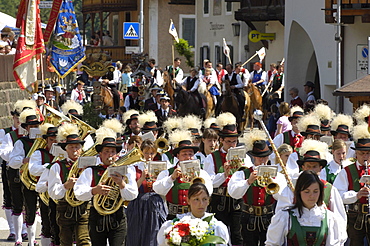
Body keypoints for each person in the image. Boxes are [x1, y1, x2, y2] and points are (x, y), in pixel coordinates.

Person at [74, 136, 138, 246]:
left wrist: (121, 184)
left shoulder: (127, 170)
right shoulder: (91, 170)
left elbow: (133, 195)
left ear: (117, 154)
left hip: (117, 216)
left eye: (113, 152)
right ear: (100, 154)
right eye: (106, 152)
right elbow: (78, 193)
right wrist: (94, 190)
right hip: (97, 216)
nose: (109, 155)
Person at [228, 130, 286, 246]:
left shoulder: (277, 175)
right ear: (254, 157)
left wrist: (272, 182)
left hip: (268, 216)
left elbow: (282, 197)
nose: (263, 160)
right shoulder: (242, 173)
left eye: (265, 157)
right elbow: (233, 193)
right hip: (247, 216)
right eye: (260, 158)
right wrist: (248, 182)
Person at [203, 122, 252, 246]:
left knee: (238, 235)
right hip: (219, 199)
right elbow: (209, 182)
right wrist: (224, 174)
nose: (232, 145)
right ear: (221, 140)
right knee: (218, 233)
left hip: (238, 200)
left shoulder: (245, 157)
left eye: (234, 141)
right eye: (228, 141)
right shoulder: (211, 158)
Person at [266, 170, 345, 246]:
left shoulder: (329, 218)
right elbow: (272, 244)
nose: (312, 196)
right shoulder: (285, 217)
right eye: (307, 192)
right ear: (299, 192)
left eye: (315, 191)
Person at [153, 131, 213, 220]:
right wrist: (171, 178)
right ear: (178, 156)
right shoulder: (168, 172)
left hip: (195, 215)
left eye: (190, 154)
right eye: (184, 154)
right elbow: (157, 189)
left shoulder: (202, 173)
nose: (188, 157)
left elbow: (209, 191)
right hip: (174, 215)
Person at [48, 124, 90, 246]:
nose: (75, 150)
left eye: (77, 147)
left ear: (81, 149)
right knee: (65, 242)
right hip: (65, 207)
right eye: (71, 147)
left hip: (84, 207)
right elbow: (52, 192)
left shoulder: (89, 166)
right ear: (66, 149)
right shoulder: (57, 166)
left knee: (84, 241)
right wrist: (66, 185)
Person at [157, 182, 230, 246]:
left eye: (204, 199)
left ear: (208, 201)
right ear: (188, 200)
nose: (201, 204)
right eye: (196, 199)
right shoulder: (176, 223)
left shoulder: (216, 226)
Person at [126, 140, 168, 246]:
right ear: (141, 153)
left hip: (155, 204)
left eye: (152, 153)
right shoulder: (133, 168)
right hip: (138, 204)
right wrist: (142, 178)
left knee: (154, 235)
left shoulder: (161, 167)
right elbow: (131, 190)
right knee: (136, 236)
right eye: (146, 153)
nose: (149, 156)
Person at [8, 109, 41, 246]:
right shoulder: (21, 142)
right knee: (18, 206)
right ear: (26, 128)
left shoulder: (42, 141)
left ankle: (32, 240)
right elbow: (12, 162)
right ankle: (18, 238)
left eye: (36, 126)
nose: (34, 128)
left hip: (36, 179)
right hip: (21, 178)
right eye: (31, 126)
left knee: (32, 209)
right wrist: (25, 160)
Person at [334, 123, 370, 246]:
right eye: (362, 153)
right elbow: (338, 195)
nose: (365, 157)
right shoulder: (347, 171)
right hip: (354, 217)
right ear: (356, 154)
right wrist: (357, 195)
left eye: (368, 153)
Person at [28, 124, 58, 246]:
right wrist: (49, 167)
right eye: (51, 140)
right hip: (45, 193)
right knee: (47, 226)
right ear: (46, 140)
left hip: (63, 196)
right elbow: (33, 169)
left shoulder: (66, 153)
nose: (54, 143)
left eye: (57, 140)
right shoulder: (39, 153)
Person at [0, 106, 21, 242]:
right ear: (13, 117)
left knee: (24, 199)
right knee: (9, 198)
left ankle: (24, 229)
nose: (19, 120)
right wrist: (17, 155)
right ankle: (12, 230)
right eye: (17, 117)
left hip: (25, 169)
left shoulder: (29, 134)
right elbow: (3, 152)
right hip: (9, 168)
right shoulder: (5, 132)